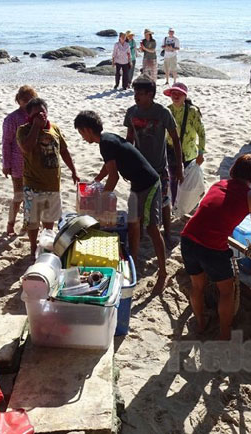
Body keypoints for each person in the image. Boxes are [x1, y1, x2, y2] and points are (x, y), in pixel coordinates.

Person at [74, 110, 166, 292]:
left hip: (148, 184)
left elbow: (114, 177)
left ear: (86, 130)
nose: (82, 137)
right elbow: (109, 167)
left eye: (81, 133)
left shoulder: (106, 143)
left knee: (151, 228)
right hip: (137, 184)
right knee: (134, 224)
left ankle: (163, 273)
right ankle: (133, 261)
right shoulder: (107, 139)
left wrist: (100, 199)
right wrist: (97, 181)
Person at [181, 154, 251, 340]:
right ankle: (225, 333)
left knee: (197, 286)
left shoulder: (218, 185)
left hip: (188, 238)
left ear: (234, 168)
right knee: (226, 291)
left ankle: (201, 324)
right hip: (212, 248)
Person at [124, 75, 184, 252]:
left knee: (164, 202)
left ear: (150, 94)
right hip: (139, 168)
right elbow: (129, 140)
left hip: (159, 168)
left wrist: (179, 167)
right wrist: (128, 165)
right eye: (135, 93)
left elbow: (175, 139)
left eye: (140, 93)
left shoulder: (162, 112)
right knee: (139, 201)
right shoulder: (131, 112)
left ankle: (166, 234)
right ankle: (141, 234)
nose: (136, 97)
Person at [17, 98, 79, 257]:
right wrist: (36, 127)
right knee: (32, 221)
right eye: (36, 113)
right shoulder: (24, 130)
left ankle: (45, 246)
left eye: (42, 112)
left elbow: (64, 151)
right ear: (29, 115)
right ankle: (32, 248)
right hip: (33, 184)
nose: (40, 115)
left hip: (52, 184)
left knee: (49, 221)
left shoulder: (55, 129)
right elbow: (26, 147)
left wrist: (73, 170)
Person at [2, 85, 38, 235]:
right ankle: (10, 224)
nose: (27, 103)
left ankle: (26, 223)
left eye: (30, 100)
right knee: (18, 196)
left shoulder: (37, 117)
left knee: (32, 197)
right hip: (17, 163)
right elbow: (6, 142)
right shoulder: (12, 119)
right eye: (24, 100)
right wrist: (6, 164)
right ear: (18, 100)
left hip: (34, 163)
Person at [164, 82, 205, 205]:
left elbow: (201, 133)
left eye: (179, 94)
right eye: (173, 93)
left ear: (184, 96)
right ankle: (175, 205)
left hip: (189, 153)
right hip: (171, 151)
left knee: (189, 181)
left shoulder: (193, 111)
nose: (176, 96)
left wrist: (201, 153)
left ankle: (190, 203)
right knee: (173, 178)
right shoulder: (168, 110)